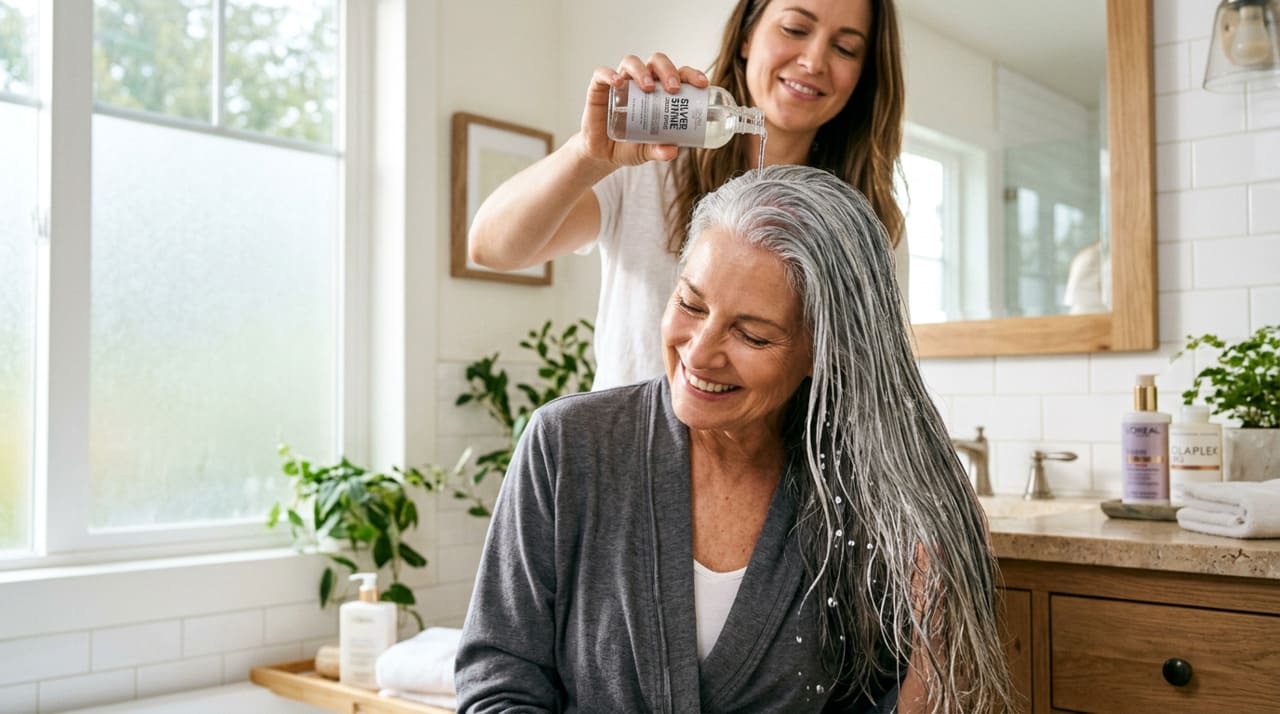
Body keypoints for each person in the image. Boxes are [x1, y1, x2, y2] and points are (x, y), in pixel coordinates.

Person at [455, 166, 1012, 713]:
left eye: (752, 334)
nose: (699, 353)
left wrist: (936, 630)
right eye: (690, 304)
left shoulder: (861, 494)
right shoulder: (567, 446)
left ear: (824, 350)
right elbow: (498, 682)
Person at [467, 0, 907, 391]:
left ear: (863, 75)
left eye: (845, 48)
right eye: (795, 29)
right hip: (627, 448)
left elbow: (864, 379)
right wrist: (586, 154)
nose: (813, 61)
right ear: (747, 35)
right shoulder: (651, 162)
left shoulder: (867, 217)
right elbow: (491, 247)